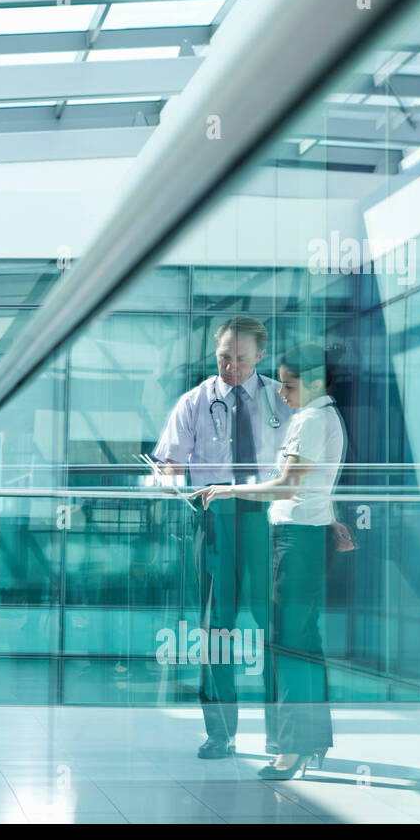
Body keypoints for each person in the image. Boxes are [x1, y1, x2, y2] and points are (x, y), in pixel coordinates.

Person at [191, 343, 346, 780]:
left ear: (313, 383)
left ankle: (291, 750)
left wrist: (228, 489)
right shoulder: (319, 416)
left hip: (294, 541)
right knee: (304, 643)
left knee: (289, 646)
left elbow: (286, 486)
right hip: (306, 536)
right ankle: (312, 742)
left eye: (290, 385)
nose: (282, 393)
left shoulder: (312, 420)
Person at [153, 316, 292, 759]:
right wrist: (167, 475)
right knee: (216, 630)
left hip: (268, 520)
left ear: (260, 356)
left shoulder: (280, 399)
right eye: (223, 358)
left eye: (241, 359)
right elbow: (169, 463)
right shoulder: (194, 402)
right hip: (214, 523)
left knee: (276, 628)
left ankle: (280, 735)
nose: (231, 367)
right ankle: (220, 733)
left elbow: (305, 464)